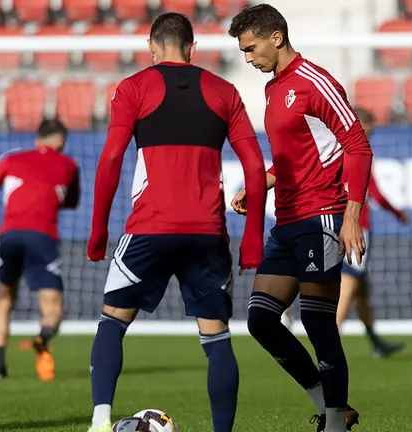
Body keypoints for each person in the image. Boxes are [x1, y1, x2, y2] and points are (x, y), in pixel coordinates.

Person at [85, 13, 266, 432]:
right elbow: (255, 167)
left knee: (112, 321)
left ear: (151, 47)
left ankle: (99, 423)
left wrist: (98, 232)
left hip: (150, 227)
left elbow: (111, 158)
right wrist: (252, 241)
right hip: (207, 232)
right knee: (217, 338)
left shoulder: (133, 87)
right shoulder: (225, 91)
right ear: (193, 48)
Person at [228, 4, 373, 432]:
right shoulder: (274, 89)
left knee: (315, 318)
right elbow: (295, 158)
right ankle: (332, 406)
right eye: (243, 52)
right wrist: (263, 184)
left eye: (251, 48)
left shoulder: (317, 82)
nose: (248, 58)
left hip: (322, 215)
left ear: (276, 37)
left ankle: (333, 423)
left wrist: (351, 215)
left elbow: (358, 147)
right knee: (259, 319)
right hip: (286, 219)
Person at [0, 119, 79, 382]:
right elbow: (72, 201)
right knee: (52, 307)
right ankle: (42, 338)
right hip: (43, 238)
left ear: (37, 139)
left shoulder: (12, 161)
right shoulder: (69, 165)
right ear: (61, 141)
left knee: (4, 299)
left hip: (8, 237)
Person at [337, 107, 407, 358]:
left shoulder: (337, 151)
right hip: (356, 228)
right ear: (360, 124)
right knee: (350, 281)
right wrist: (399, 214)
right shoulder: (356, 152)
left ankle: (376, 343)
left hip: (339, 224)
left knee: (362, 290)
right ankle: (329, 342)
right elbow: (374, 192)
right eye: (370, 125)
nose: (373, 131)